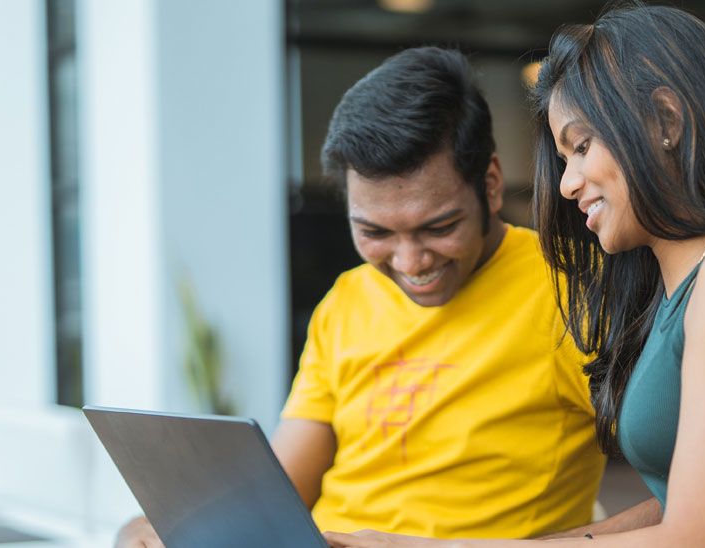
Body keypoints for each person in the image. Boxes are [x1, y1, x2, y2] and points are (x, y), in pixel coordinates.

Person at [325, 4, 705, 547]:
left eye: (582, 147)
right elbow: (685, 504)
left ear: (666, 121)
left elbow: (699, 537)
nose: (567, 184)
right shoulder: (684, 289)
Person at [116, 47, 612, 547]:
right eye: (375, 232)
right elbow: (284, 490)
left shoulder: (575, 291)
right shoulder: (348, 301)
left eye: (438, 227)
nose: (410, 261)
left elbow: (677, 510)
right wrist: (173, 526)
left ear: (490, 185)